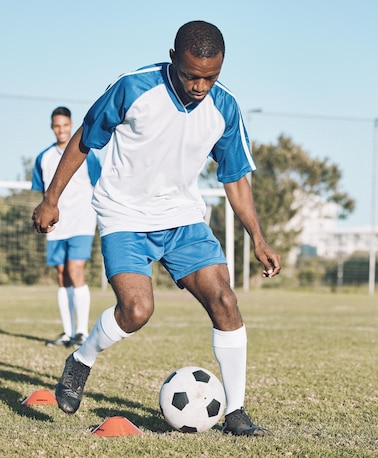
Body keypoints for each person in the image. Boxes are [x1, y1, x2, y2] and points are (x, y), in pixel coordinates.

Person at [32, 20, 281, 437]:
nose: (200, 86)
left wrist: (257, 236)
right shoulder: (134, 88)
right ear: (173, 59)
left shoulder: (225, 107)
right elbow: (83, 139)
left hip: (182, 218)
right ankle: (81, 360)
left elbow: (235, 176)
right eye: (191, 75)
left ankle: (235, 411)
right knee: (136, 311)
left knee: (225, 300)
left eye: (211, 76)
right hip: (124, 215)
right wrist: (52, 198)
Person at [31, 106, 101, 347]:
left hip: (82, 220)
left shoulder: (87, 155)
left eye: (65, 125)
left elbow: (99, 185)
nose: (61, 130)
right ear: (53, 127)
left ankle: (82, 332)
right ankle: (67, 332)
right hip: (57, 224)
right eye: (57, 126)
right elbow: (41, 193)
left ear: (71, 125)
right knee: (62, 275)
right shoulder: (44, 158)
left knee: (75, 270)